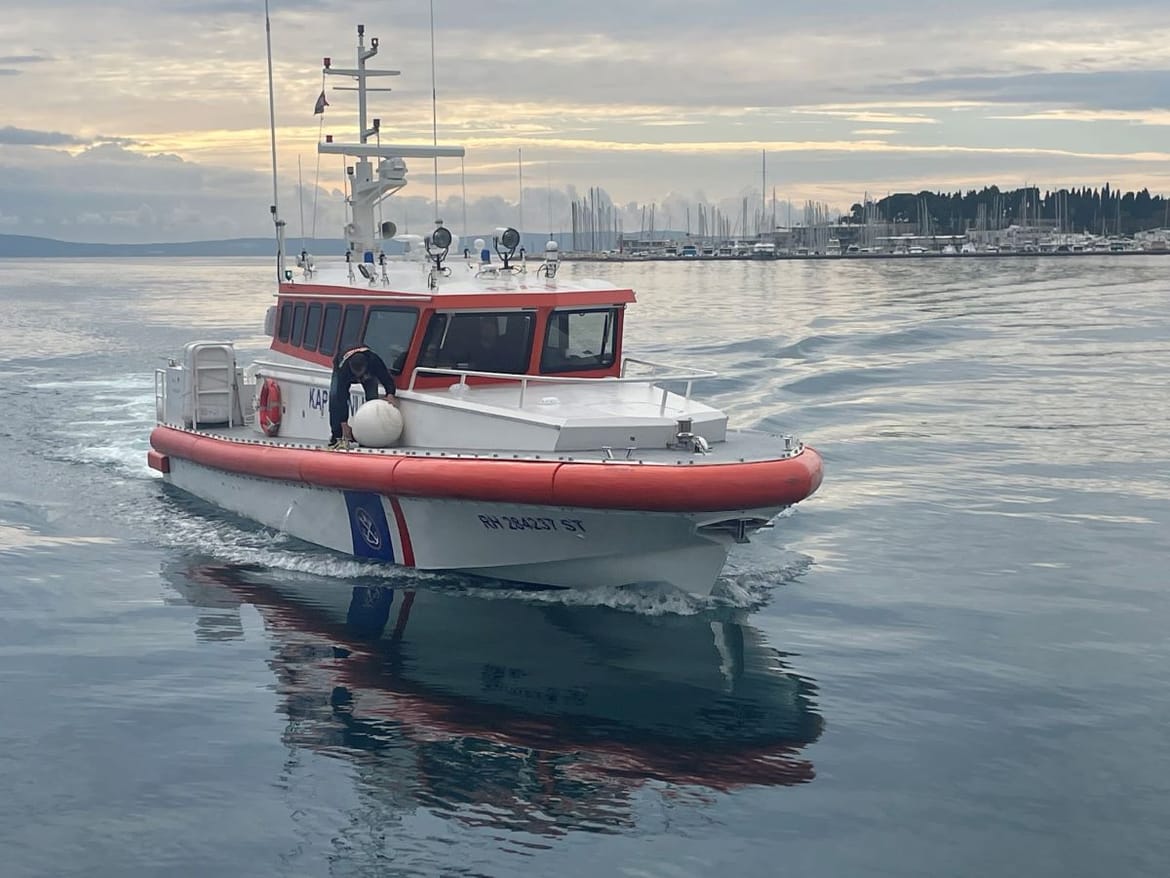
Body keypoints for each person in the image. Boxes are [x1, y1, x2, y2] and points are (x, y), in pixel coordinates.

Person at [329, 346, 397, 449]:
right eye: (356, 373)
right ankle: (337, 436)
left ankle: (369, 436)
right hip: (341, 365)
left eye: (359, 373)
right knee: (334, 397)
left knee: (372, 401)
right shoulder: (344, 370)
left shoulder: (374, 361)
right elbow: (341, 397)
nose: (358, 378)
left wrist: (390, 394)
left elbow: (386, 378)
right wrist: (344, 423)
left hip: (368, 374)